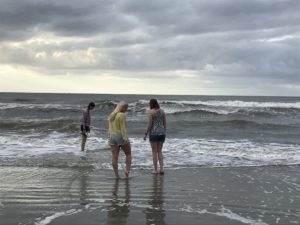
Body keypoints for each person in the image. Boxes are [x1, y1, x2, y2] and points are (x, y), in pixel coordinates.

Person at [108, 101, 132, 179]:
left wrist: (109, 138)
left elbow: (109, 129)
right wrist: (125, 138)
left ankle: (116, 175)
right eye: (126, 108)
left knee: (114, 157)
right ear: (123, 108)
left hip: (112, 137)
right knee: (128, 154)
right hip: (120, 136)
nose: (126, 109)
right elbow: (123, 128)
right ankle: (127, 172)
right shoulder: (121, 115)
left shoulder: (112, 115)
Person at [144, 99, 166, 175]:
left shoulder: (151, 112)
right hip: (162, 133)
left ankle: (155, 170)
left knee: (154, 152)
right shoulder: (162, 111)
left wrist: (146, 133)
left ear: (151, 104)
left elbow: (150, 125)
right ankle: (162, 169)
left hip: (153, 133)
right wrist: (164, 132)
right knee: (159, 151)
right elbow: (165, 123)